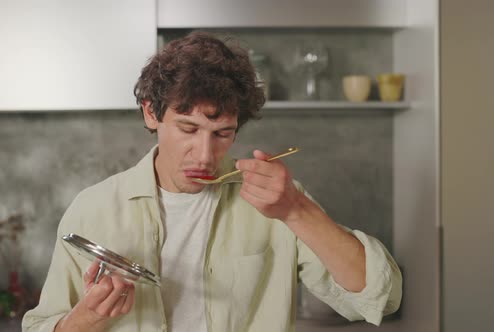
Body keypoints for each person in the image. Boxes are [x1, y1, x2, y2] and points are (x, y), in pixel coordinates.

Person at [22, 31, 402, 332]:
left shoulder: (282, 204)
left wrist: (297, 211)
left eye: (222, 133)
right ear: (152, 113)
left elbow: (379, 297)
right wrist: (88, 319)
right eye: (188, 129)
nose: (204, 155)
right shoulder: (93, 209)